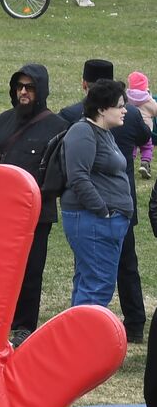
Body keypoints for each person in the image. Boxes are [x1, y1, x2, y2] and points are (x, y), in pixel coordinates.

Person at [0, 65, 67, 344]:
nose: (24, 92)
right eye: (20, 87)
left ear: (40, 90)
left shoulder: (58, 127)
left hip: (36, 214)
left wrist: (28, 199)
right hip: (0, 211)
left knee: (30, 272)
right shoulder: (4, 120)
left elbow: (57, 176)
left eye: (29, 87)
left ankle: (23, 326)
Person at [60, 78, 133, 309]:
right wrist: (103, 212)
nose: (125, 110)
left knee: (91, 282)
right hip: (93, 221)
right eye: (120, 105)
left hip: (103, 223)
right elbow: (78, 177)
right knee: (97, 285)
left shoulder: (105, 132)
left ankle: (78, 340)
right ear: (102, 108)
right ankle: (84, 341)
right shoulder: (82, 131)